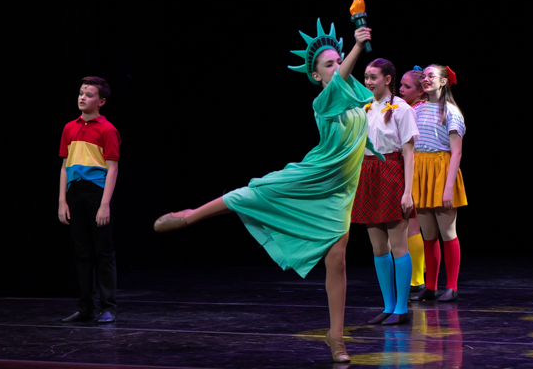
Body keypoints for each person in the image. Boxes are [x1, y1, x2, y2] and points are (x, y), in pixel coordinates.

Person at [154, 19, 382, 363]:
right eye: (328, 64)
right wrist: (358, 47)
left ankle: (336, 337)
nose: (336, 67)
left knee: (337, 261)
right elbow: (340, 83)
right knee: (253, 193)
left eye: (338, 61)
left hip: (339, 191)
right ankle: (190, 216)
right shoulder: (324, 101)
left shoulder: (356, 100)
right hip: (312, 177)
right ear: (317, 77)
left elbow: (365, 103)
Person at [351, 59, 419, 326]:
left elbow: (410, 152)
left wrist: (408, 192)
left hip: (391, 172)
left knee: (399, 244)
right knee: (379, 247)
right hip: (367, 172)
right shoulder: (365, 107)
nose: (368, 82)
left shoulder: (401, 109)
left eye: (373, 77)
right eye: (366, 77)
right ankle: (388, 305)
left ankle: (402, 308)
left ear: (387, 79)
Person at [58, 76, 121, 324]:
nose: (82, 97)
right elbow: (64, 166)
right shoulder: (69, 128)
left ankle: (108, 307)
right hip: (75, 194)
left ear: (101, 101)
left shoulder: (107, 129)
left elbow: (113, 168)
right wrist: (62, 201)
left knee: (103, 252)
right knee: (81, 252)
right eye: (81, 93)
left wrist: (105, 203)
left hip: (97, 193)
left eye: (89, 94)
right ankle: (85, 307)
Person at [409, 64, 466, 303]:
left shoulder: (451, 111)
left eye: (431, 76)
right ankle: (430, 286)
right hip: (420, 170)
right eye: (424, 76)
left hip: (442, 169)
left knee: (447, 233)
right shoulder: (417, 110)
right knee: (428, 234)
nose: (426, 79)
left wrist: (448, 187)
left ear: (443, 81)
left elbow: (456, 152)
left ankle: (451, 287)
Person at [398, 67, 428, 292]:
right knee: (411, 226)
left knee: (413, 226)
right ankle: (417, 277)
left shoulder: (415, 112)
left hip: (416, 170)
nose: (400, 90)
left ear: (420, 93)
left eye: (406, 87)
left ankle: (417, 279)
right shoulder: (408, 109)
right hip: (408, 169)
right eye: (400, 85)